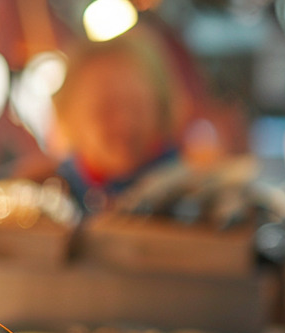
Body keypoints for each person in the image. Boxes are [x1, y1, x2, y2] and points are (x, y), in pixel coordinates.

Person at [49, 30, 184, 214]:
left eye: (137, 106)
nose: (124, 123)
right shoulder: (50, 196)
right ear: (69, 115)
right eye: (105, 109)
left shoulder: (189, 195)